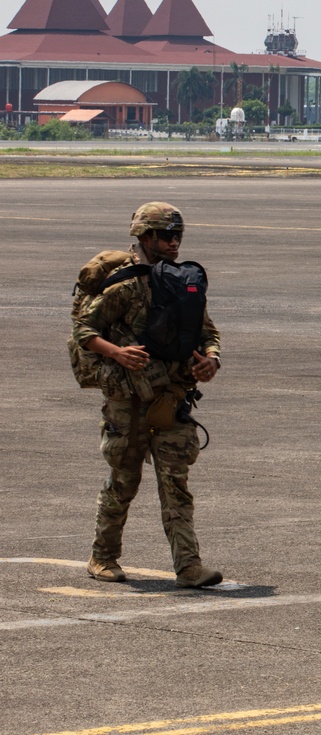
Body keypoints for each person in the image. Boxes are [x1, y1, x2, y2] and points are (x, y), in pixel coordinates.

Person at [73, 202, 224, 589]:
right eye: (167, 235)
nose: (174, 242)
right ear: (145, 237)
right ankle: (102, 557)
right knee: (123, 480)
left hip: (171, 398)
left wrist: (211, 359)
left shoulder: (184, 282)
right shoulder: (125, 286)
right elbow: (85, 330)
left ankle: (189, 567)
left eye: (179, 236)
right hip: (129, 399)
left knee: (175, 483)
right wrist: (117, 352)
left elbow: (207, 331)